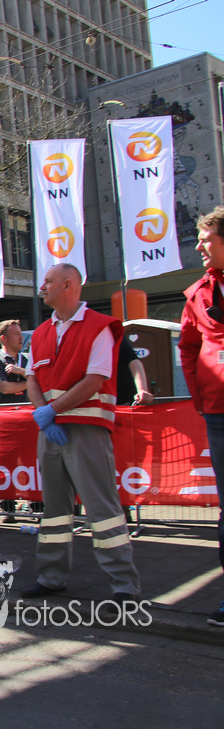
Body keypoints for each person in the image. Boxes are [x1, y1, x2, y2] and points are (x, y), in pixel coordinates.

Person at [20, 264, 141, 604]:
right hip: (52, 429)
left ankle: (124, 585)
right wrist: (44, 415)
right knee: (55, 510)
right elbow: (32, 378)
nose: (42, 287)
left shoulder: (100, 327)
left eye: (48, 282)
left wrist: (49, 412)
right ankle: (51, 577)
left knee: (102, 507)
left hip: (85, 428)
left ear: (68, 285)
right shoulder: (41, 333)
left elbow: (95, 380)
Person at [179, 205, 224, 627]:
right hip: (218, 413)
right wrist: (201, 394)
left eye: (206, 239)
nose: (199, 247)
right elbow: (189, 348)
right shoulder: (197, 294)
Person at [0, 320, 32, 522]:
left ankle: (37, 506)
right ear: (3, 338)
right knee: (6, 464)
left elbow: (43, 380)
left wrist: (23, 373)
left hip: (29, 419)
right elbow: (5, 388)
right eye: (16, 334)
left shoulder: (27, 360)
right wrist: (30, 381)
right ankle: (7, 508)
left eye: (21, 333)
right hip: (5, 421)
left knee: (32, 462)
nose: (21, 338)